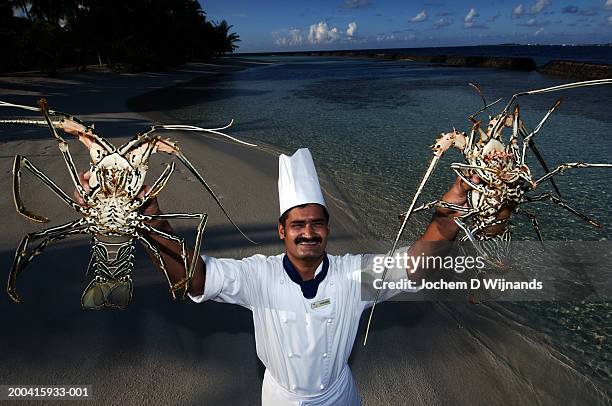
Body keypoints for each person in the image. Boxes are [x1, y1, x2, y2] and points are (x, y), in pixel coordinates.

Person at [79, 148, 478, 405]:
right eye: (298, 224)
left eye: (317, 224)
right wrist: (148, 216)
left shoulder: (355, 275)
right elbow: (194, 279)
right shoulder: (259, 276)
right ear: (281, 230)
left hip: (339, 396)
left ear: (327, 228)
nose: (308, 231)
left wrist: (451, 205)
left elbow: (417, 263)